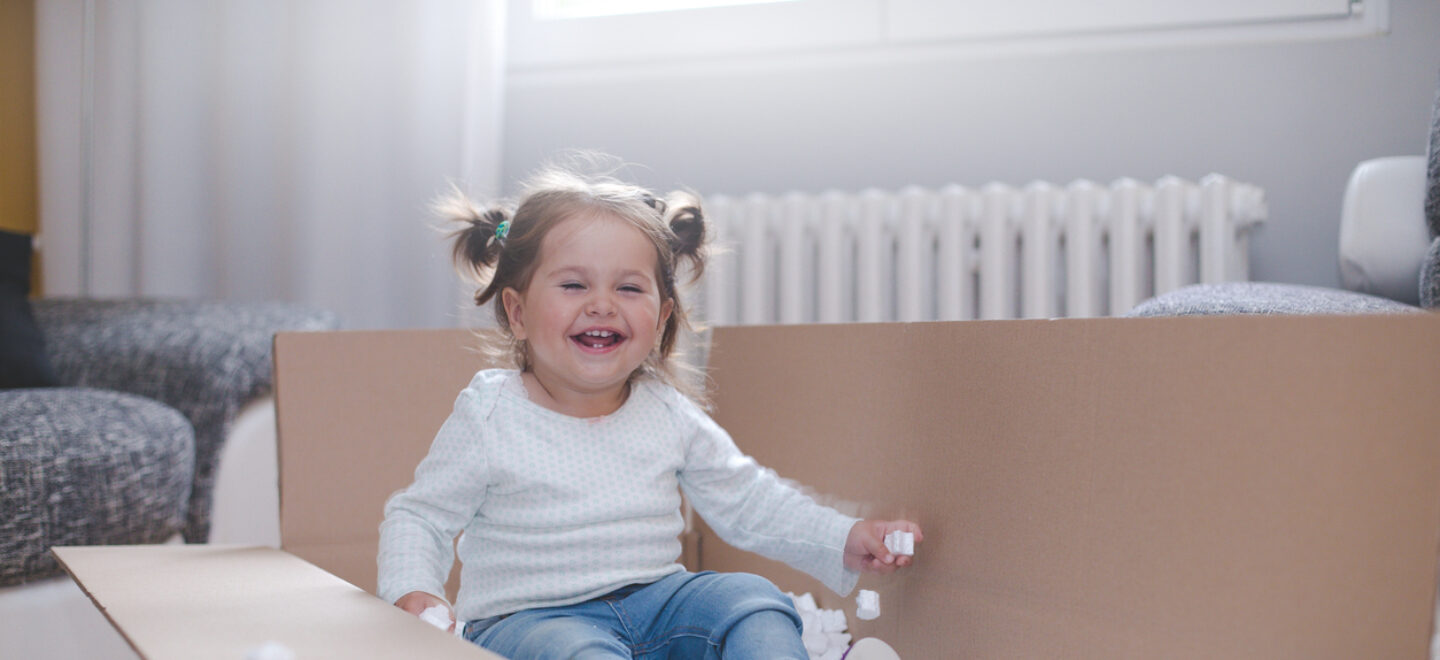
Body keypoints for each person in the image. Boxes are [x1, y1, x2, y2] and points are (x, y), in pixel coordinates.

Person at [378, 163, 922, 659]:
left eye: (629, 288)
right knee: (576, 652)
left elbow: (750, 501)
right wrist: (415, 591)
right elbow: (421, 516)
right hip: (531, 620)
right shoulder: (491, 413)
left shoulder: (665, 411)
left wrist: (842, 538)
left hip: (659, 604)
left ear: (661, 317)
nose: (602, 304)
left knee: (753, 599)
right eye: (573, 284)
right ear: (517, 312)